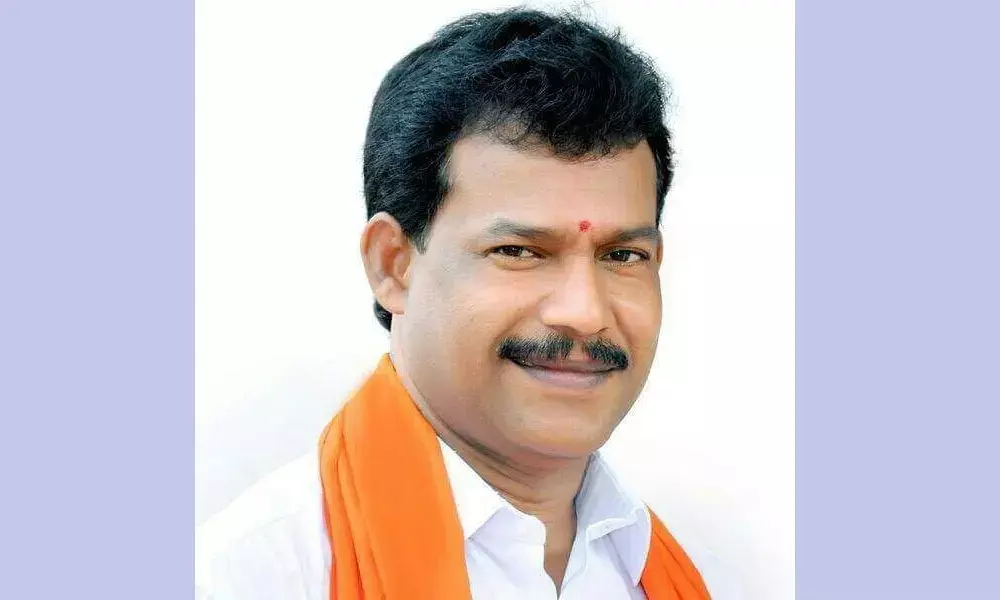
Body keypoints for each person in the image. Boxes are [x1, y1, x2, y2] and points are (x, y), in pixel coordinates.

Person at [197, 8, 740, 599]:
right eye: (519, 251)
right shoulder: (253, 577)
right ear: (392, 265)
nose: (585, 312)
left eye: (623, 255)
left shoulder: (686, 572)